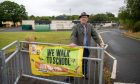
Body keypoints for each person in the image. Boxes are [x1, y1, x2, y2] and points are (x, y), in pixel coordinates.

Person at [64, 12, 103, 82]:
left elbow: (95, 35)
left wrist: (100, 42)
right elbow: (73, 35)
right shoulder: (76, 26)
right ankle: (71, 77)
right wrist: (73, 42)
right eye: (82, 17)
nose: (83, 18)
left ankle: (84, 74)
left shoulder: (90, 26)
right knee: (74, 62)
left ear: (87, 19)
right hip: (77, 48)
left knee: (85, 62)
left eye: (85, 17)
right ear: (80, 19)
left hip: (86, 48)